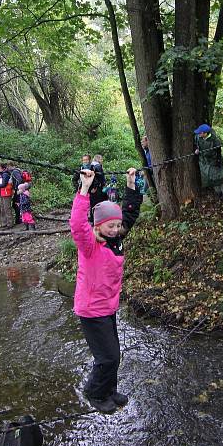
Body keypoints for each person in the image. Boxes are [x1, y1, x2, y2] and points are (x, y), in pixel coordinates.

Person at [69, 168, 142, 413]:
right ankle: (95, 394)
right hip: (91, 310)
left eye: (117, 225)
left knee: (114, 355)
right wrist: (84, 189)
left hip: (107, 306)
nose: (115, 229)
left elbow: (130, 215)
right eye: (110, 226)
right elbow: (78, 225)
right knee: (107, 358)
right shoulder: (90, 245)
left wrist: (131, 185)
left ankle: (109, 390)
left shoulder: (116, 239)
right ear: (99, 226)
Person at [193, 124, 223, 196]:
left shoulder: (215, 140)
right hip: (205, 161)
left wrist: (218, 161)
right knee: (211, 178)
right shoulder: (198, 137)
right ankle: (217, 193)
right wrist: (197, 150)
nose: (198, 134)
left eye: (200, 133)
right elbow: (197, 145)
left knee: (219, 178)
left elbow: (218, 151)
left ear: (205, 133)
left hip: (215, 161)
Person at [0, 162, 14, 228]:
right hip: (2, 193)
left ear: (0, 167)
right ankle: (4, 223)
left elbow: (4, 184)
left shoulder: (5, 174)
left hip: (7, 193)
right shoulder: (1, 174)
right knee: (2, 209)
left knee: (7, 208)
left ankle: (10, 223)